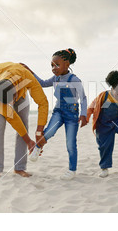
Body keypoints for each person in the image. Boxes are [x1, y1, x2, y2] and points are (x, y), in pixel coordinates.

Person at [23, 49, 88, 180]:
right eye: (52, 65)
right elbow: (41, 83)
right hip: (58, 111)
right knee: (48, 133)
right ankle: (38, 147)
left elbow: (83, 98)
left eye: (57, 65)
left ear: (67, 63)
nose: (54, 68)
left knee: (70, 143)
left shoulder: (74, 80)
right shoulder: (55, 78)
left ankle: (72, 170)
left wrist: (83, 114)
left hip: (72, 115)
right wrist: (30, 71)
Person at [0, 62, 48, 179]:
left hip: (20, 89)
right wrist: (29, 141)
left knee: (24, 121)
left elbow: (43, 103)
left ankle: (19, 168)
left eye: (11, 101)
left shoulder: (26, 77)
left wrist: (39, 131)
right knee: (0, 123)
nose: (10, 105)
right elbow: (12, 118)